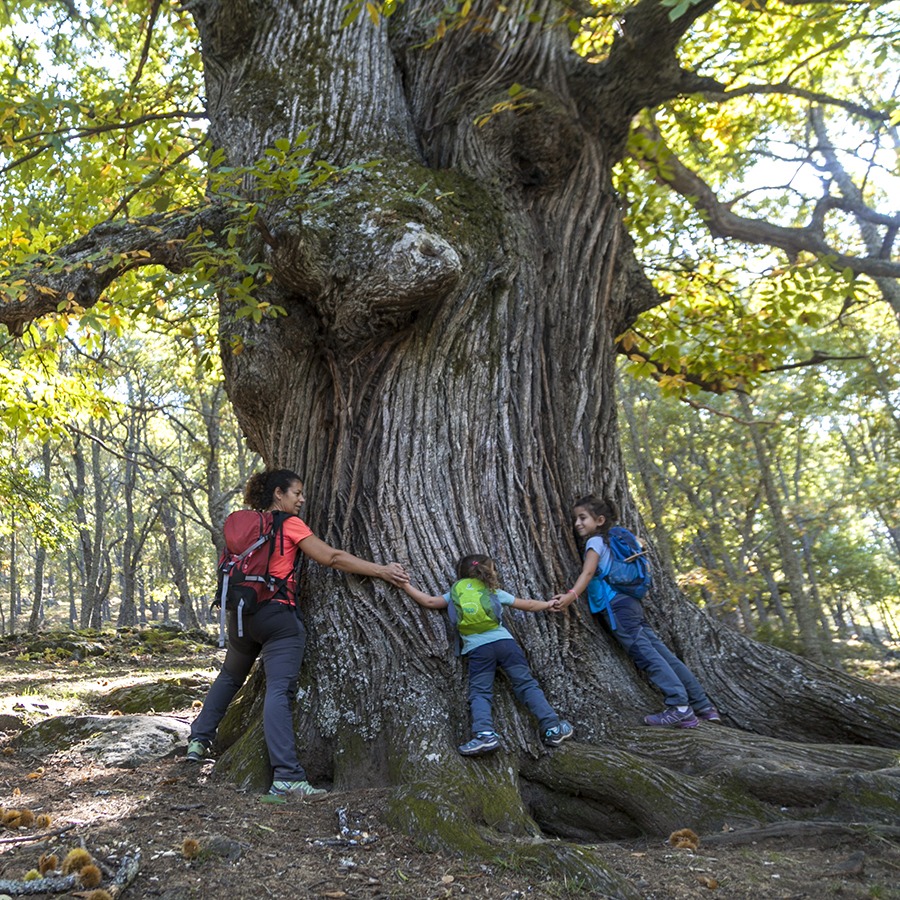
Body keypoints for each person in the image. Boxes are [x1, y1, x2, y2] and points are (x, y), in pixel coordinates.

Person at [187, 468, 409, 801]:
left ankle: (198, 740)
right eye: (297, 492)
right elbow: (331, 557)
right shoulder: (288, 525)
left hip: (240, 618)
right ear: (278, 494)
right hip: (278, 619)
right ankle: (287, 778)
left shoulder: (243, 527)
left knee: (230, 677)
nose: (302, 499)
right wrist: (382, 570)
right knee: (279, 690)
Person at [553, 495, 720, 728]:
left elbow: (588, 573)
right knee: (663, 654)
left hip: (617, 608)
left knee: (648, 657)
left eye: (583, 518)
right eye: (575, 519)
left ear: (599, 520)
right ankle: (703, 706)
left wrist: (570, 596)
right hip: (630, 603)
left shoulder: (595, 543)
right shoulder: (612, 540)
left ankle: (680, 707)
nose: (577, 524)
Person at [401, 553, 574, 755]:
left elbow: (430, 602)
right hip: (506, 645)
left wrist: (405, 585)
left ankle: (485, 735)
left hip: (479, 650)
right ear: (488, 572)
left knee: (481, 692)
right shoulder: (493, 591)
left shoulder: (455, 593)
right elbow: (527, 604)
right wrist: (548, 604)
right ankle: (552, 727)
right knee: (526, 684)